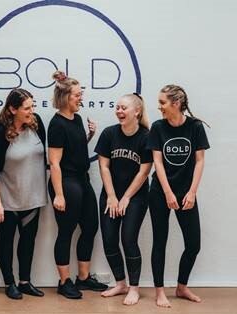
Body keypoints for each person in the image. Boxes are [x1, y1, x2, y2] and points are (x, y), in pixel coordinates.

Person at [147, 84, 210, 308]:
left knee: (193, 244)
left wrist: (192, 192)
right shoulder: (157, 127)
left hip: (186, 193)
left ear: (176, 103)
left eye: (163, 103)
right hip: (160, 192)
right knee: (159, 242)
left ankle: (182, 287)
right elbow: (157, 161)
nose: (159, 107)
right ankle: (160, 292)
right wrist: (167, 192)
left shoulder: (195, 127)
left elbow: (200, 160)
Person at [47, 70, 108, 299]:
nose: (81, 98)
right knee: (66, 231)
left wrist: (90, 136)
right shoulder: (56, 124)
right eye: (77, 95)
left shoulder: (78, 119)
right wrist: (59, 194)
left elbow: (75, 148)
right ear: (65, 98)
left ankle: (83, 278)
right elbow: (54, 163)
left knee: (91, 227)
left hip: (82, 179)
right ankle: (64, 281)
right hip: (66, 182)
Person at [94, 93, 152, 305]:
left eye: (123, 107)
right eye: (117, 107)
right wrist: (111, 196)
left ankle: (134, 288)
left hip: (135, 197)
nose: (119, 111)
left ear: (136, 111)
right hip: (110, 195)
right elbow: (104, 166)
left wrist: (126, 197)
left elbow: (144, 172)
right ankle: (120, 284)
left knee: (128, 240)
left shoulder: (146, 136)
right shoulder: (109, 134)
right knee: (109, 239)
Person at [0, 88, 47, 299]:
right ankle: (9, 282)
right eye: (26, 108)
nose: (31, 111)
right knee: (6, 240)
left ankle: (25, 281)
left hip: (33, 197)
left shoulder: (37, 123)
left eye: (32, 106)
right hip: (7, 197)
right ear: (12, 109)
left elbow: (45, 156)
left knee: (28, 241)